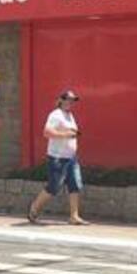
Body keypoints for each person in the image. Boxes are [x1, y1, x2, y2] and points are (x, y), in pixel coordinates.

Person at [27, 90, 87, 225]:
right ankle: (34, 208)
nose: (70, 103)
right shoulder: (55, 115)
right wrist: (67, 134)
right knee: (54, 187)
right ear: (61, 100)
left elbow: (70, 132)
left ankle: (74, 216)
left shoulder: (70, 115)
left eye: (72, 101)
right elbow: (47, 132)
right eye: (68, 100)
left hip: (71, 157)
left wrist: (73, 134)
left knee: (75, 185)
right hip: (57, 158)